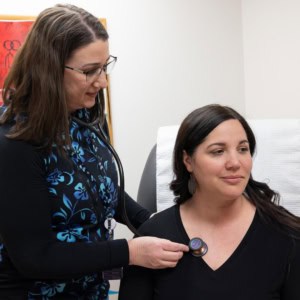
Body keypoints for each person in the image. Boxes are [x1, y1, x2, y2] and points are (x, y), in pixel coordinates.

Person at [0, 4, 189, 299]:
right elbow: (34, 257)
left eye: (104, 66)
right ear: (47, 67)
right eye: (89, 71)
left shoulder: (83, 116)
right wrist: (129, 252)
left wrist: (154, 222)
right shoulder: (13, 141)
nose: (101, 82)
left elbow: (102, 188)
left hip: (90, 291)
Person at [119, 104, 300, 300]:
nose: (235, 163)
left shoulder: (287, 233)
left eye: (243, 149)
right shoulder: (151, 239)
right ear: (188, 160)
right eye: (218, 151)